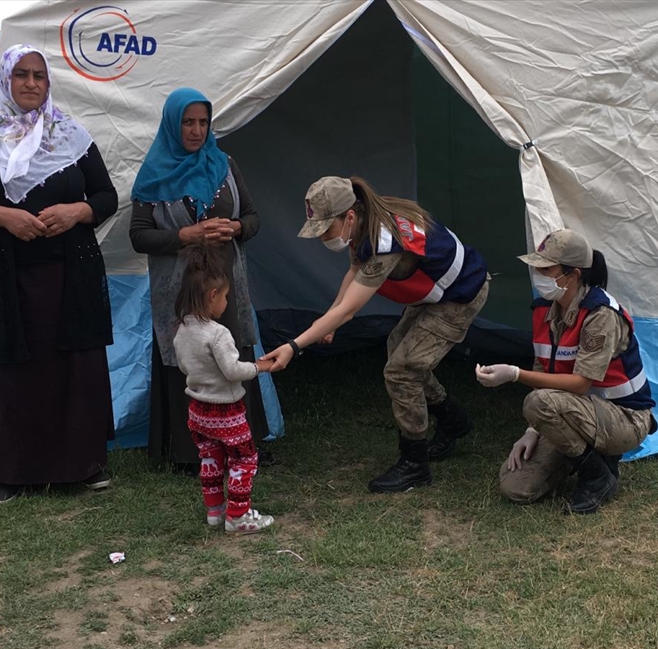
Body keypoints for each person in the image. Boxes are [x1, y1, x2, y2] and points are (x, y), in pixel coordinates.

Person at [0, 44, 117, 505]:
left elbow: (106, 196)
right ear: (5, 79)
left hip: (68, 273)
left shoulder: (70, 134)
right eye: (22, 74)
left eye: (39, 75)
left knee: (73, 365)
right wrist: (1, 216)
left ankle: (83, 463)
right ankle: (12, 470)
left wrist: (77, 211)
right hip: (4, 275)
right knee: (10, 367)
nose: (31, 83)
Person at [262, 176, 488, 493]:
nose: (322, 237)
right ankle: (452, 420)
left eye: (325, 229)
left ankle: (415, 464)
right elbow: (355, 271)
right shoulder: (365, 220)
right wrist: (331, 319)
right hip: (435, 294)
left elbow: (349, 310)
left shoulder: (384, 241)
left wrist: (293, 346)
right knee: (399, 351)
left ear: (348, 216)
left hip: (460, 295)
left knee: (402, 370)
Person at [130, 88, 273, 472]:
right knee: (190, 359)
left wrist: (236, 227)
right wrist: (185, 235)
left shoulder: (224, 165)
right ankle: (191, 451)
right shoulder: (154, 173)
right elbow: (138, 236)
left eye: (203, 122)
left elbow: (254, 218)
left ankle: (243, 442)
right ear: (172, 125)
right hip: (181, 290)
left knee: (231, 354)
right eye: (187, 122)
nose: (196, 130)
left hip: (225, 284)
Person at [475, 230, 657, 514]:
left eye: (546, 269)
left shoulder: (600, 314)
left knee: (539, 402)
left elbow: (580, 384)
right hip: (574, 414)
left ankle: (596, 476)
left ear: (572, 275)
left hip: (623, 417)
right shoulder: (542, 311)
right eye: (536, 268)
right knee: (516, 487)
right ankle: (589, 456)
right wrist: (532, 431)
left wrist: (513, 373)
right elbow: (543, 369)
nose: (538, 276)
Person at [172, 245, 276, 532]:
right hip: (226, 412)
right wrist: (258, 367)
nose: (227, 302)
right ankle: (238, 516)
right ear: (213, 295)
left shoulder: (182, 330)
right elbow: (233, 371)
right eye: (226, 296)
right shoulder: (218, 334)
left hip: (197, 411)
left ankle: (215, 510)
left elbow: (184, 367)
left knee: (210, 457)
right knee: (244, 458)